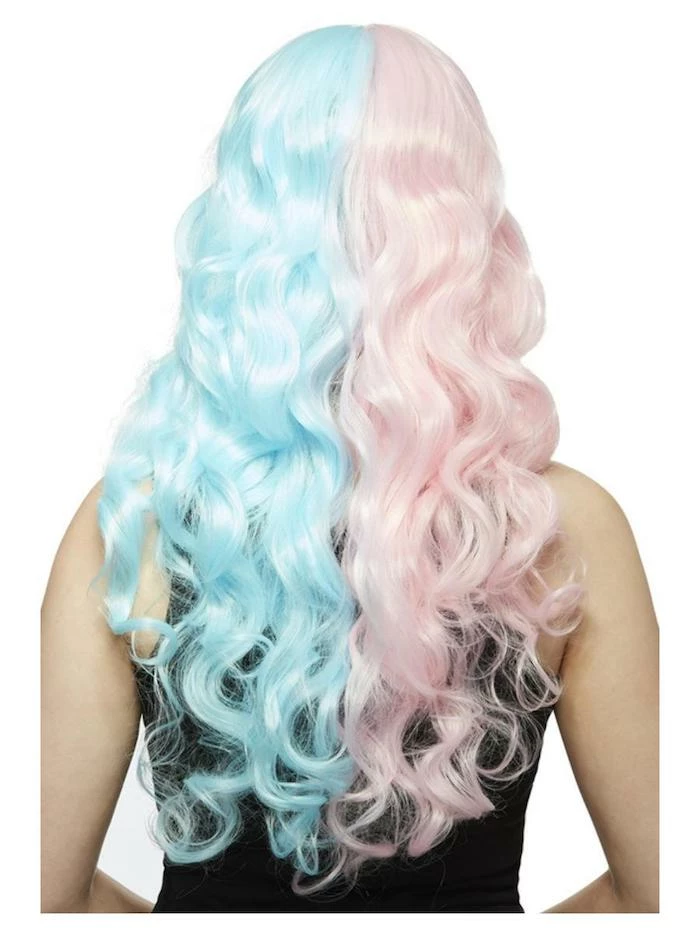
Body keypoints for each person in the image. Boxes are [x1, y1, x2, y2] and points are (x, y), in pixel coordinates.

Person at [40, 24, 659, 913]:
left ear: (244, 231)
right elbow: (657, 898)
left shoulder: (131, 523)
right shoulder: (564, 527)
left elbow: (41, 901)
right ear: (466, 229)